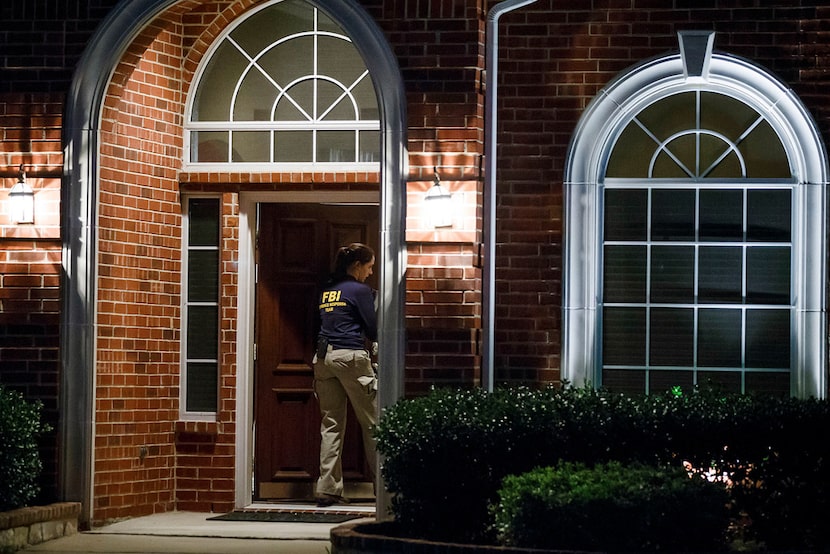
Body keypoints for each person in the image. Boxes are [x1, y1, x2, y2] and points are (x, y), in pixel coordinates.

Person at [313, 242, 378, 506]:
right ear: (357, 266)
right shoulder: (360, 290)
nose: (371, 272)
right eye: (369, 267)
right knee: (374, 423)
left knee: (331, 425)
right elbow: (372, 328)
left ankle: (328, 489)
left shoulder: (327, 290)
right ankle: (387, 490)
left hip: (323, 358)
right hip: (350, 356)